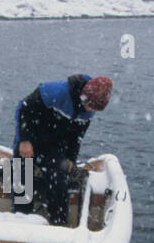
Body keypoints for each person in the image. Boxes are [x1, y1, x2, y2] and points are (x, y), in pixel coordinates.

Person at [11, 74, 112, 225]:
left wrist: (71, 157)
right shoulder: (55, 91)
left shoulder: (89, 111)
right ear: (84, 95)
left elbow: (77, 136)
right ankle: (20, 219)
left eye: (94, 108)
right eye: (88, 104)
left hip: (55, 145)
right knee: (22, 174)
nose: (89, 109)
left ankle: (58, 226)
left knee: (60, 180)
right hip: (31, 137)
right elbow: (23, 109)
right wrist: (24, 140)